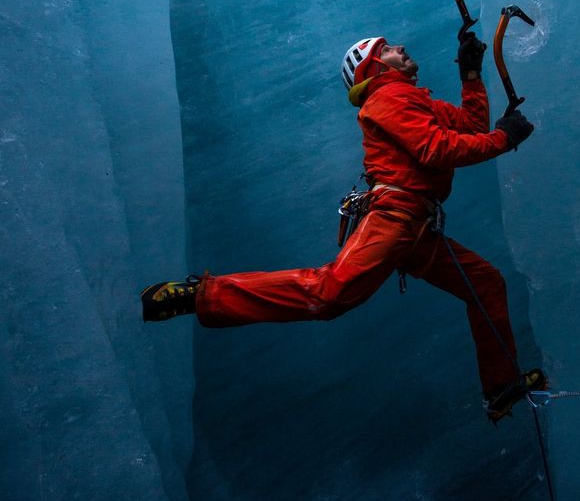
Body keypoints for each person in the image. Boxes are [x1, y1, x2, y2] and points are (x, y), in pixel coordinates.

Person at [141, 32, 544, 422]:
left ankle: (501, 386)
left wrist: (470, 76)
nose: (399, 47)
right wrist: (504, 140)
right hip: (395, 216)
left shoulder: (410, 99)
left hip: (415, 228)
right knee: (330, 293)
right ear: (373, 67)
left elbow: (471, 130)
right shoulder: (386, 96)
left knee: (486, 284)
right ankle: (203, 295)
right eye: (386, 48)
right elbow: (436, 150)